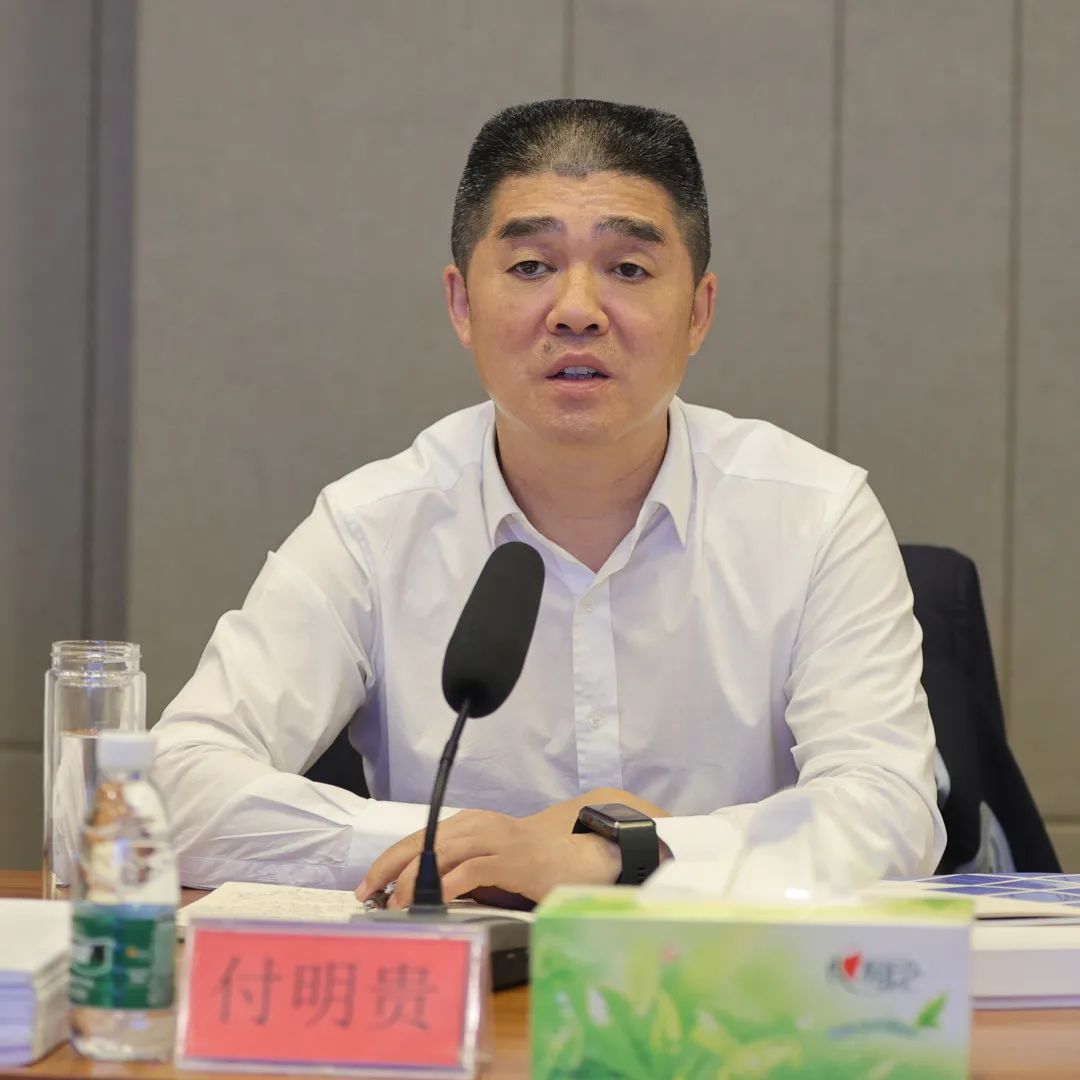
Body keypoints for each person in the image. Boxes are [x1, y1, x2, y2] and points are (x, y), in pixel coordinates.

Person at [153, 99, 945, 905]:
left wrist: (619, 857)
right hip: (463, 981)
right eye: (531, 266)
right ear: (462, 304)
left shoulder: (815, 515)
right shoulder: (371, 526)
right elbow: (171, 790)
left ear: (699, 311)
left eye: (628, 269)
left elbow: (889, 812)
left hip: (727, 978)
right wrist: (476, 848)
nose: (576, 311)